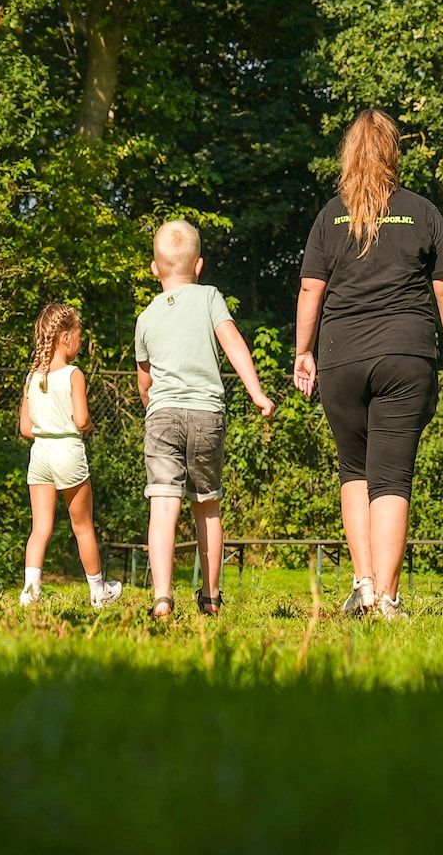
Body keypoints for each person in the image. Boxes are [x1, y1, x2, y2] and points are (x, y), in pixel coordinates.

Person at [292, 110, 443, 620]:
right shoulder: (421, 211)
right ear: (393, 153)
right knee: (392, 478)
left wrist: (304, 352)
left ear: (349, 154)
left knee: (354, 471)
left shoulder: (331, 215)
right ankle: (388, 600)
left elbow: (310, 289)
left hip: (340, 356)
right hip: (405, 355)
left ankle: (364, 586)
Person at [135, 219, 274, 619]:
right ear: (199, 266)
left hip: (162, 415)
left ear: (154, 268)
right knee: (207, 505)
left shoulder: (146, 318)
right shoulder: (210, 296)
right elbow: (233, 342)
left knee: (163, 506)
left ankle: (162, 597)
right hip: (206, 414)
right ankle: (210, 597)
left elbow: (146, 381)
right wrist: (256, 392)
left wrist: (152, 405)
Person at [16, 302, 122, 609]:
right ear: (66, 338)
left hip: (40, 455)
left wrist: (47, 428)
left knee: (40, 527)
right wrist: (87, 425)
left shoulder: (31, 377)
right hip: (68, 453)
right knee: (83, 525)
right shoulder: (75, 374)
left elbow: (25, 428)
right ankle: (98, 590)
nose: (80, 340)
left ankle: (30, 591)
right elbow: (80, 419)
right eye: (79, 334)